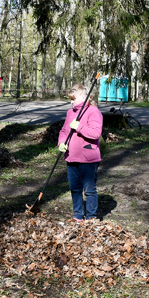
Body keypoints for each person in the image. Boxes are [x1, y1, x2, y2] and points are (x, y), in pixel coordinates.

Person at [58, 84, 103, 221]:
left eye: (74, 99)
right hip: (71, 157)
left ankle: (91, 217)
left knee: (89, 190)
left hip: (88, 158)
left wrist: (79, 127)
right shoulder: (70, 113)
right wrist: (61, 143)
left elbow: (96, 133)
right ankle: (78, 215)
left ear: (84, 97)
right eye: (70, 99)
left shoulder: (93, 111)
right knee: (75, 188)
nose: (71, 102)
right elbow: (64, 131)